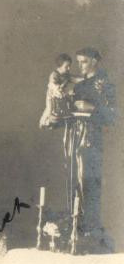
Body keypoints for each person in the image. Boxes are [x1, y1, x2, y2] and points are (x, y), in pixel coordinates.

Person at [64, 47, 116, 249]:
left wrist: (92, 107)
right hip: (74, 136)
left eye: (83, 61)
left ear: (94, 61)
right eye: (78, 61)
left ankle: (88, 229)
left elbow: (113, 115)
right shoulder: (80, 84)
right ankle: (74, 227)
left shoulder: (104, 84)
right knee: (73, 180)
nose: (79, 65)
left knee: (88, 182)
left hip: (91, 138)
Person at [39, 53, 74, 128]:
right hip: (52, 95)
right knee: (49, 109)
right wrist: (67, 93)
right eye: (66, 66)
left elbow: (73, 78)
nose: (69, 68)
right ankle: (43, 122)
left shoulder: (66, 75)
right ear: (60, 66)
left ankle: (62, 121)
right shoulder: (54, 75)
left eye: (69, 66)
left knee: (65, 107)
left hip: (61, 95)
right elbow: (55, 87)